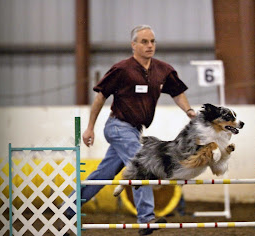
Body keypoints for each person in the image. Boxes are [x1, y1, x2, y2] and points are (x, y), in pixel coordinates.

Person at [79, 25, 195, 235]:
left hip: (134, 131)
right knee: (143, 165)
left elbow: (177, 92)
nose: (150, 45)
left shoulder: (163, 70)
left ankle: (66, 211)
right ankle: (146, 219)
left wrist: (188, 110)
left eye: (152, 41)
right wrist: (89, 128)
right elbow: (100, 97)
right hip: (117, 127)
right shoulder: (122, 69)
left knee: (103, 175)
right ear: (133, 45)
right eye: (144, 42)